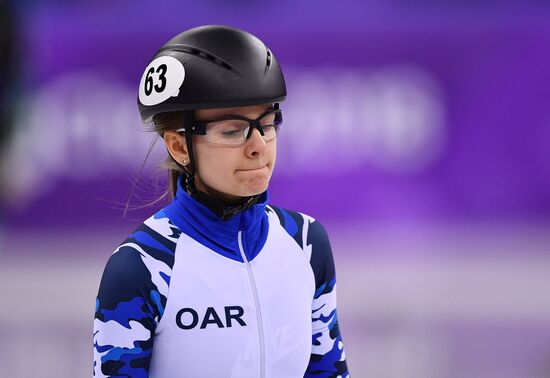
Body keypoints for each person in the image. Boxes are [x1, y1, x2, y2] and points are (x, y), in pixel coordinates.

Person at [93, 25, 349, 377]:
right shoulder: (143, 267)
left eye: (268, 123)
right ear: (179, 146)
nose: (258, 144)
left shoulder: (305, 243)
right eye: (233, 130)